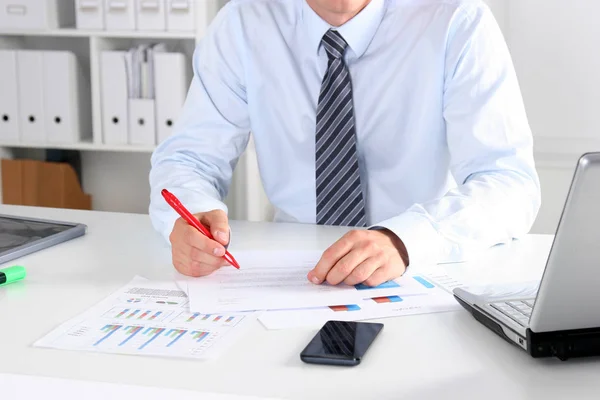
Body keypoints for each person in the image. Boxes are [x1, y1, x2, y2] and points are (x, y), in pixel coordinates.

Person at [149, 0, 541, 287]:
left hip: (423, 268)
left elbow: (508, 182)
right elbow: (190, 157)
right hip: (290, 277)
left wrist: (404, 240)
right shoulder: (242, 23)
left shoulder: (458, 19)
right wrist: (190, 217)